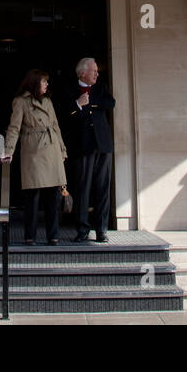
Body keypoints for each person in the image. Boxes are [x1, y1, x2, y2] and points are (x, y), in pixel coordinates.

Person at [1, 69, 69, 245]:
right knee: (32, 196)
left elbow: (55, 126)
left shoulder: (48, 102)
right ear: (34, 83)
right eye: (43, 81)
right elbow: (14, 128)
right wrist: (9, 150)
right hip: (34, 152)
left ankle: (53, 235)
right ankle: (29, 235)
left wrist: (62, 150)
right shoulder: (21, 102)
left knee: (53, 197)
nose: (46, 85)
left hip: (51, 150)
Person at [68, 57, 115, 243]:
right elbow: (67, 114)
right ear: (82, 73)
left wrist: (90, 104)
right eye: (93, 70)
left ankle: (101, 230)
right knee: (82, 189)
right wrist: (78, 104)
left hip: (103, 144)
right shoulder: (70, 90)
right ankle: (82, 230)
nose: (97, 73)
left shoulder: (100, 87)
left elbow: (110, 103)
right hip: (82, 146)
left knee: (103, 188)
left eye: (97, 70)